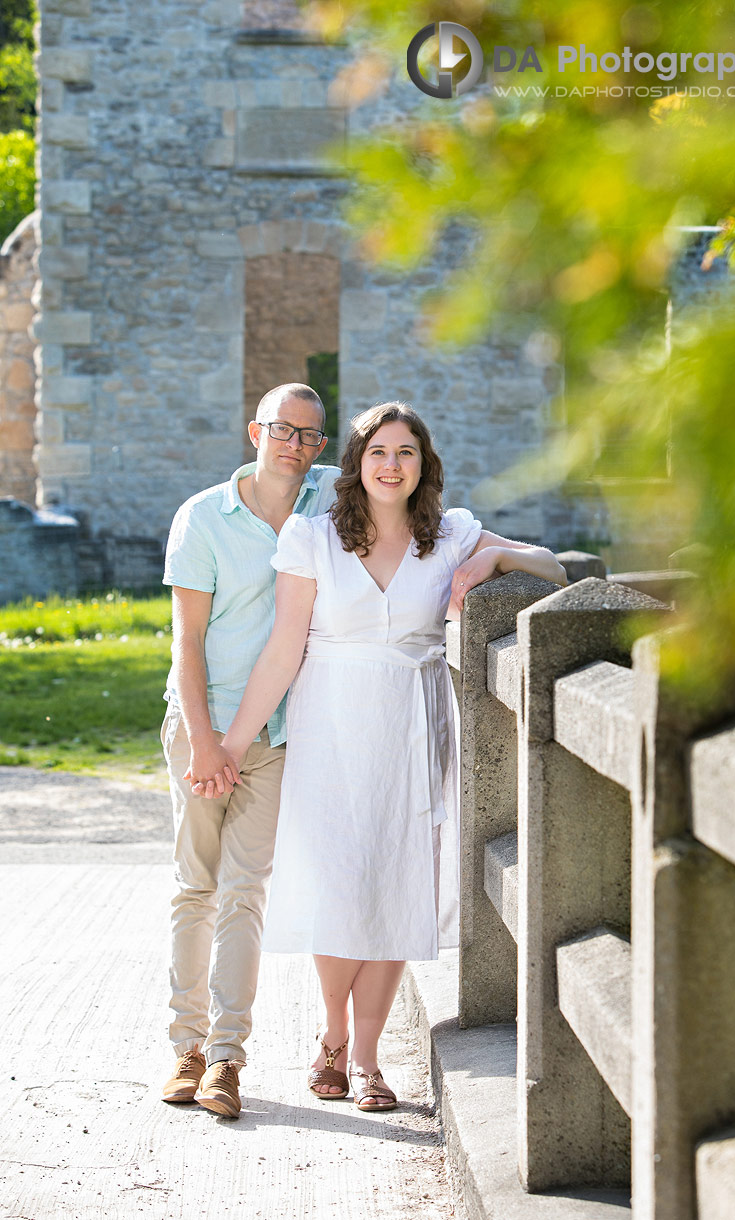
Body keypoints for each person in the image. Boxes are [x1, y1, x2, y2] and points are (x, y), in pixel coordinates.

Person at [193, 402, 567, 1111]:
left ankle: (364, 1062)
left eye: (406, 453)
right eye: (378, 453)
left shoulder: (450, 533)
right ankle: (331, 1037)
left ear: (422, 465)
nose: (391, 465)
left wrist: (496, 553)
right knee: (340, 883)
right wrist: (232, 743)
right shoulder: (312, 538)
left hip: (413, 722)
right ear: (357, 465)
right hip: (331, 720)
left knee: (398, 883)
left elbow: (549, 566)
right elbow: (283, 650)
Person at [160, 382, 341, 1119]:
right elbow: (188, 640)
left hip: (275, 734)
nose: (294, 446)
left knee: (244, 891)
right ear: (254, 431)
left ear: (322, 447)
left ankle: (227, 1061)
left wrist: (489, 550)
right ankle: (185, 1047)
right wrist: (204, 740)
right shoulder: (204, 516)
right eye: (281, 431)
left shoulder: (329, 500)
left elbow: (415, 492)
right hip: (202, 727)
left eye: (308, 436)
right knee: (195, 887)